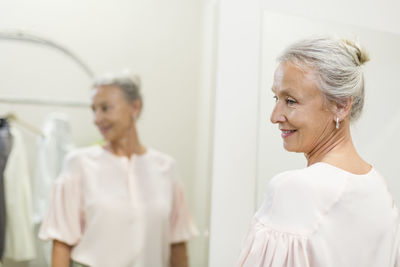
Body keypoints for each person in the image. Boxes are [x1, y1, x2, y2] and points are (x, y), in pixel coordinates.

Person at [237, 37, 400, 266]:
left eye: (291, 101)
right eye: (277, 98)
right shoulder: (380, 190)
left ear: (341, 105)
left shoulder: (295, 189)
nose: (274, 117)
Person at [39, 71, 198, 267]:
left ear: (135, 107)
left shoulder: (165, 167)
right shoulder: (79, 164)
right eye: (94, 110)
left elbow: (178, 244)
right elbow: (62, 244)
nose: (97, 119)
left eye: (105, 108)